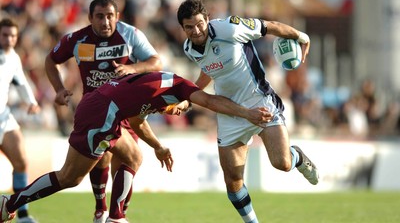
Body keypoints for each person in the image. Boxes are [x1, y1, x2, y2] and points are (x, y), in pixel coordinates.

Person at [0, 71, 272, 223]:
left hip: (103, 107)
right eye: (178, 109)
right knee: (70, 177)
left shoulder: (157, 91)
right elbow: (210, 102)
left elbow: (137, 121)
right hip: (102, 113)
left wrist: (159, 146)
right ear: (183, 99)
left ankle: (116, 217)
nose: (175, 113)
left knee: (133, 155)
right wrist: (247, 113)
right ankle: (10, 203)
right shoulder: (179, 88)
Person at [176, 0, 319, 223]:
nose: (196, 31)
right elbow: (210, 70)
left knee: (282, 164)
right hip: (229, 111)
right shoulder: (189, 49)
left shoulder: (229, 28)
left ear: (207, 20)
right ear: (182, 28)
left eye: (200, 24)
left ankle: (297, 156)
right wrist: (191, 94)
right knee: (233, 181)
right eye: (189, 27)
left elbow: (268, 26)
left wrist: (300, 36)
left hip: (259, 101)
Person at [44, 0, 162, 223]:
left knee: (126, 164)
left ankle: (115, 216)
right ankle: (105, 212)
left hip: (127, 110)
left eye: (110, 16)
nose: (106, 22)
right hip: (96, 110)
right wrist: (58, 88)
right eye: (100, 17)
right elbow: (51, 60)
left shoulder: (131, 34)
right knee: (107, 158)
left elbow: (156, 62)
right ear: (90, 19)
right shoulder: (78, 39)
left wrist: (132, 68)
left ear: (117, 17)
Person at [0, 18, 41, 223]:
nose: (9, 39)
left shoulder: (14, 58)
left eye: (13, 35)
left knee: (21, 162)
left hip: (3, 118)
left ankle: (22, 214)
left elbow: (21, 82)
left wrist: (31, 102)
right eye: (5, 35)